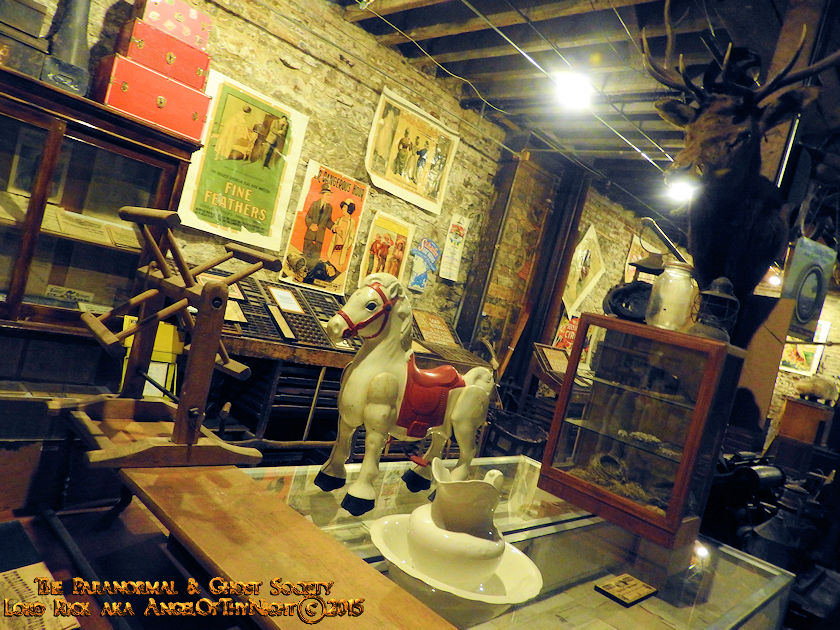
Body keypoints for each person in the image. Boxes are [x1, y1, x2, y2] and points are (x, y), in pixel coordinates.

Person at [303, 184, 334, 267]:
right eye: (327, 195)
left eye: (330, 195)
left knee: (315, 260)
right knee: (305, 258)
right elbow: (308, 217)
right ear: (322, 195)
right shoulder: (314, 204)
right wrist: (311, 225)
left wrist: (334, 227)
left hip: (319, 238)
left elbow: (328, 221)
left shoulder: (330, 208)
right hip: (310, 236)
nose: (329, 197)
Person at [329, 200, 356, 268]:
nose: (343, 209)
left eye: (345, 207)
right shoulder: (339, 220)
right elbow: (333, 228)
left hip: (342, 250)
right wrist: (336, 229)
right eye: (343, 207)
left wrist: (346, 246)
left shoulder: (352, 222)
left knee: (338, 266)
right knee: (330, 265)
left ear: (349, 209)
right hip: (334, 247)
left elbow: (352, 237)